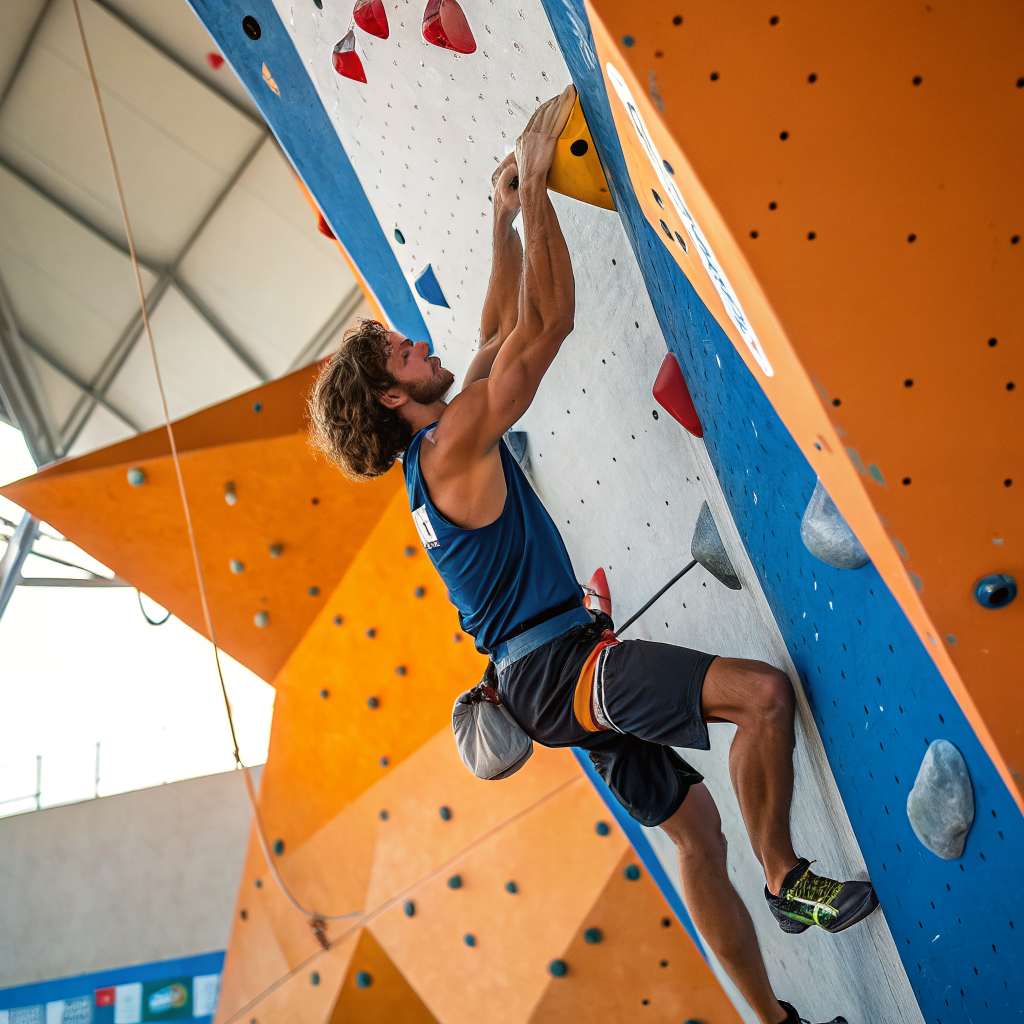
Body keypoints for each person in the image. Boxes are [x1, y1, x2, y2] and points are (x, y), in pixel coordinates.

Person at [307, 85, 876, 1024]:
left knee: (694, 835)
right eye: (399, 354)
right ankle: (784, 876)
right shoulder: (449, 447)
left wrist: (502, 221)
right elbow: (550, 325)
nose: (416, 343)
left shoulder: (437, 451)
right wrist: (536, 185)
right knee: (762, 695)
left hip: (545, 676)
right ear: (388, 402)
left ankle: (773, 1022)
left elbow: (494, 332)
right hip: (561, 672)